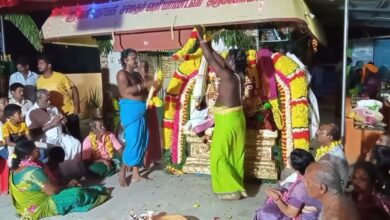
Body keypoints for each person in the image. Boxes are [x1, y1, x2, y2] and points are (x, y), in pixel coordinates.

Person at [196, 25, 247, 200]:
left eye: (228, 58)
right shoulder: (239, 75)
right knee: (234, 154)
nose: (224, 59)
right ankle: (237, 188)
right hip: (236, 119)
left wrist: (201, 38)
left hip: (227, 120)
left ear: (232, 62)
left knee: (219, 155)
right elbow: (215, 57)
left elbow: (210, 60)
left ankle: (230, 190)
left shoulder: (227, 76)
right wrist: (208, 44)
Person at [9, 140, 109, 220]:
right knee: (77, 193)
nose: (38, 149)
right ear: (27, 157)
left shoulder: (14, 171)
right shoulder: (32, 171)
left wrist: (66, 184)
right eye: (35, 149)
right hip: (42, 206)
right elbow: (53, 191)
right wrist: (69, 186)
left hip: (24, 208)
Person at [116, 48, 155, 187]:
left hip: (141, 109)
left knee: (142, 140)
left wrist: (152, 86)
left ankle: (136, 175)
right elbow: (125, 92)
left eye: (136, 57)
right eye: (133, 58)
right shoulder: (122, 74)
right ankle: (122, 172)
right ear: (125, 60)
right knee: (133, 143)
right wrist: (144, 84)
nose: (136, 60)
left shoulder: (138, 75)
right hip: (131, 112)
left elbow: (143, 90)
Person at [26, 89, 83, 177]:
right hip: (46, 140)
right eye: (46, 100)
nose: (49, 102)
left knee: (75, 143)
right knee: (61, 150)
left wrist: (64, 120)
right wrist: (52, 125)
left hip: (60, 136)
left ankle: (74, 171)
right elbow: (34, 133)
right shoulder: (31, 113)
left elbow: (64, 120)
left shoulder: (53, 108)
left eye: (49, 99)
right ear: (38, 100)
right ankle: (65, 176)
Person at [254, 149, 320, 220]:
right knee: (280, 190)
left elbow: (290, 213)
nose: (288, 159)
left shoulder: (301, 187)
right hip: (317, 210)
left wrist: (277, 199)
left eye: (290, 159)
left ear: (297, 169)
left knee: (265, 213)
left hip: (307, 217)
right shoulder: (319, 172)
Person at [36, 55, 81, 141]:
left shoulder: (61, 76)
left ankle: (82, 153)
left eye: (41, 63)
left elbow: (74, 89)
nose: (38, 66)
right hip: (55, 116)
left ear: (49, 65)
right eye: (38, 64)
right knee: (61, 138)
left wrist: (77, 106)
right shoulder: (39, 81)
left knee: (76, 137)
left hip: (69, 112)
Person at [139, 60, 163, 168]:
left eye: (145, 67)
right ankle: (143, 158)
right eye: (141, 66)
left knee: (152, 134)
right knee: (142, 134)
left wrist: (156, 83)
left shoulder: (150, 79)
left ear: (148, 69)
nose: (143, 69)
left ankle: (152, 158)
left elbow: (155, 89)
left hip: (150, 109)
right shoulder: (136, 79)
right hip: (140, 109)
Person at [314, 124, 349, 191]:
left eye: (321, 132)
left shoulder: (333, 155)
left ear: (330, 137)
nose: (317, 132)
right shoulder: (327, 149)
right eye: (319, 130)